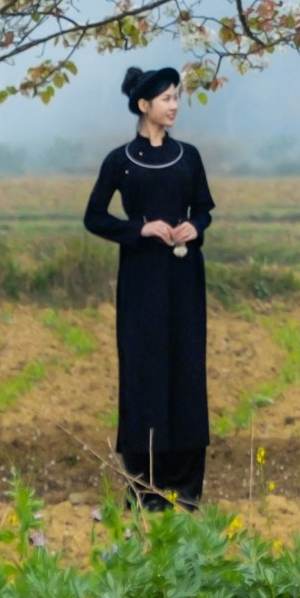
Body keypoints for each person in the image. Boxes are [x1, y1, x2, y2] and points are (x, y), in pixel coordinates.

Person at [82, 64, 215, 508]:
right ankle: (145, 488)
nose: (175, 105)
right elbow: (95, 217)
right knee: (144, 371)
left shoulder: (190, 156)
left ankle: (188, 488)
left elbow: (203, 209)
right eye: (166, 99)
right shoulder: (119, 162)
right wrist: (139, 229)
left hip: (185, 278)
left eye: (177, 97)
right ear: (144, 105)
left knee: (186, 367)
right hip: (141, 283)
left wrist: (195, 228)